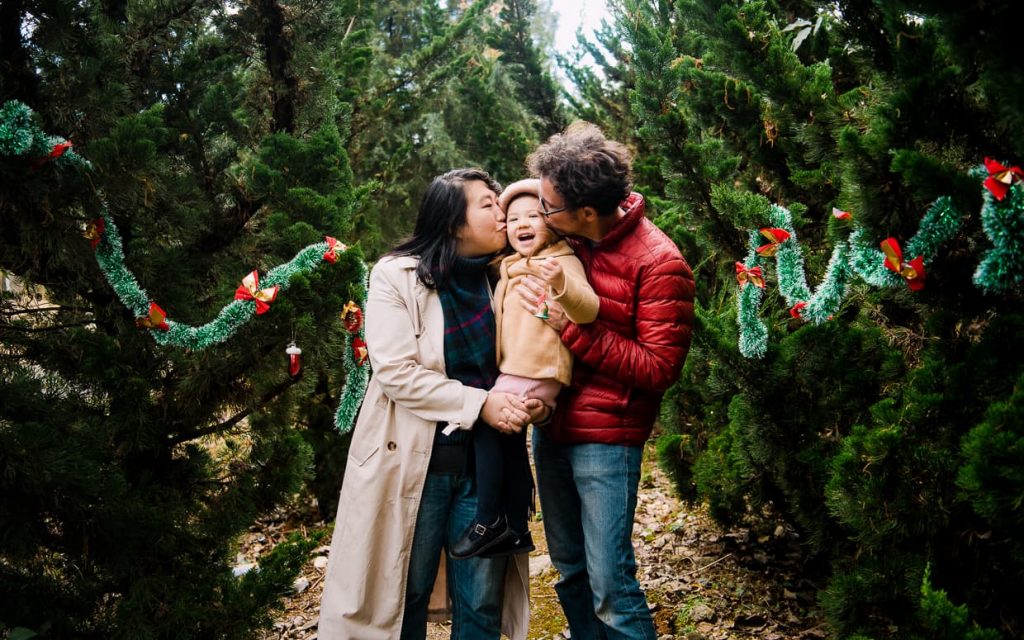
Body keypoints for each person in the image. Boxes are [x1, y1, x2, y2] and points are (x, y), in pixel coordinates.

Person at [317, 168, 547, 640]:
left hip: (488, 468)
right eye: (488, 204)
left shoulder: (503, 276)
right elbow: (396, 371)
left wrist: (535, 402)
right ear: (451, 222)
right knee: (404, 596)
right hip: (416, 467)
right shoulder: (395, 276)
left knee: (481, 602)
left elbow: (531, 356)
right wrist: (481, 403)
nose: (502, 214)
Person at [514, 123, 695, 639]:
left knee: (611, 583)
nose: (542, 214)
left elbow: (660, 368)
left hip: (608, 438)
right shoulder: (569, 239)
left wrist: (570, 331)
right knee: (569, 570)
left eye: (548, 205)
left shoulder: (660, 264)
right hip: (553, 425)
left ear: (586, 212)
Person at [450, 180, 599, 560]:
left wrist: (561, 284)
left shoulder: (560, 261)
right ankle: (516, 527)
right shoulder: (509, 267)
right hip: (520, 370)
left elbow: (588, 310)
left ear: (552, 223)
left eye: (533, 216)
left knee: (485, 420)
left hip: (539, 369)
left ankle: (490, 520)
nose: (521, 224)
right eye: (512, 218)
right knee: (507, 436)